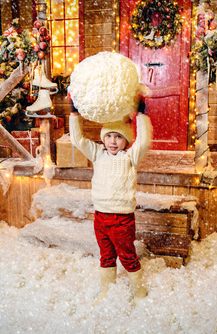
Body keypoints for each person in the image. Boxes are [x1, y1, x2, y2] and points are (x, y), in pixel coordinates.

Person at [69, 98, 152, 306]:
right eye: (109, 136)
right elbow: (78, 140)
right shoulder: (97, 154)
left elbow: (143, 141)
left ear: (127, 141)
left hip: (122, 220)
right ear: (103, 139)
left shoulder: (130, 157)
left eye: (119, 137)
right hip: (100, 217)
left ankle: (139, 293)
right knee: (106, 255)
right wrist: (74, 114)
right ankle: (106, 291)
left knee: (127, 256)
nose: (113, 142)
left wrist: (141, 116)